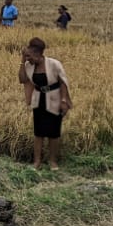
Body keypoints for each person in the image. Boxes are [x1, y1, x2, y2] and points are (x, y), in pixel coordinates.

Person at [18, 37, 72, 170]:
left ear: (38, 54)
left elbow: (63, 82)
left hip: (54, 99)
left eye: (30, 56)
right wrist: (22, 62)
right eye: (27, 56)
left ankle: (53, 161)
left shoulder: (54, 64)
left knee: (53, 132)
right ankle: (37, 162)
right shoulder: (28, 65)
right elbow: (22, 79)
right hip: (38, 100)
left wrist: (64, 100)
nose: (28, 59)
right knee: (39, 132)